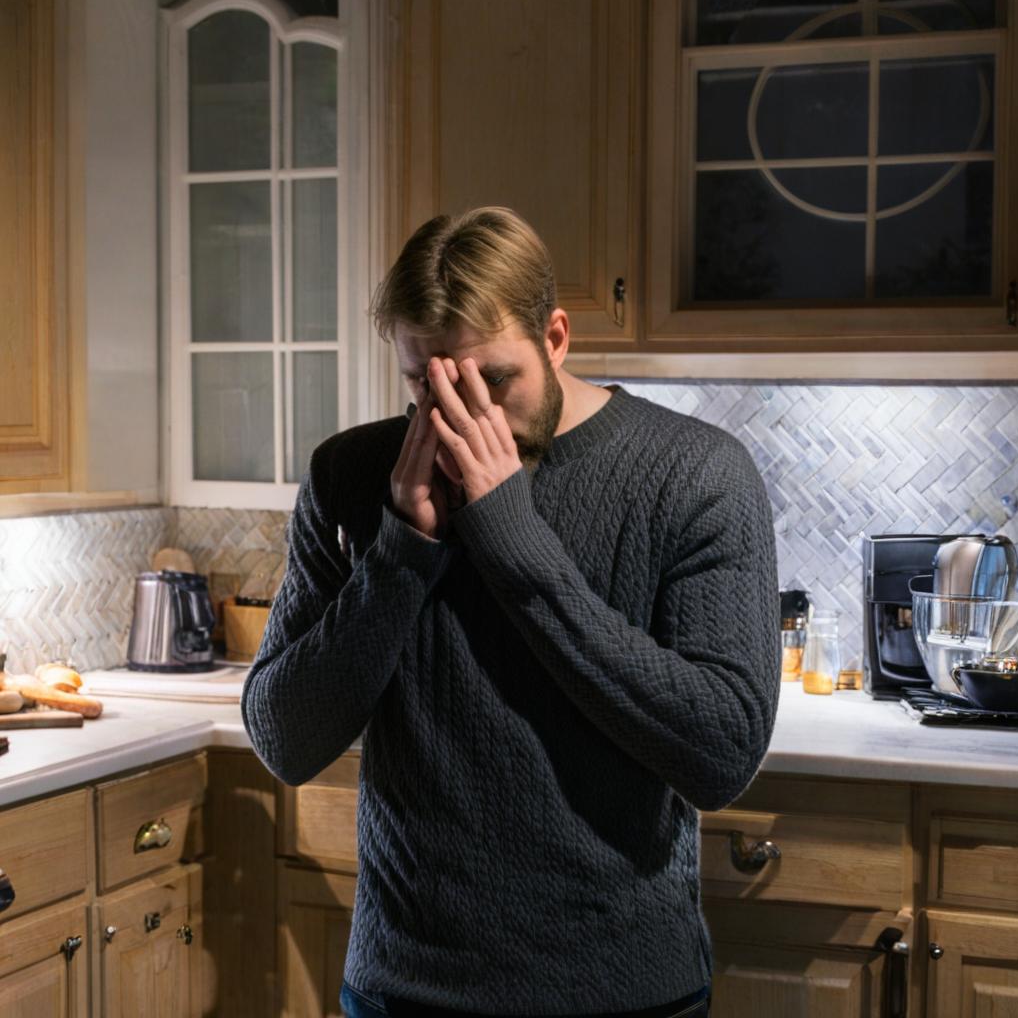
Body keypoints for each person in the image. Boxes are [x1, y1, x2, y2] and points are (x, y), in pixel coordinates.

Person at [241, 206, 780, 1018]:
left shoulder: (697, 475)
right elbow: (285, 741)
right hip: (404, 992)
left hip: (627, 994)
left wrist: (515, 544)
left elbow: (720, 753)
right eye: (427, 383)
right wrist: (398, 555)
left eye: (491, 381)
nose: (462, 417)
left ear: (556, 337)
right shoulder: (350, 476)